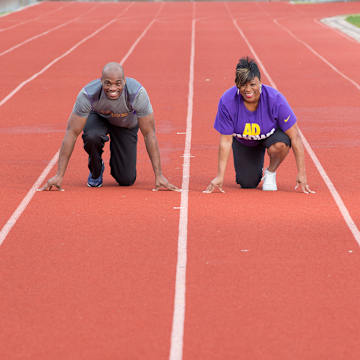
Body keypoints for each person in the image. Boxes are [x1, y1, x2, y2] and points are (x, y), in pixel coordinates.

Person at [41, 62, 179, 191]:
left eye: (117, 83)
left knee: (126, 179)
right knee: (92, 136)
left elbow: (149, 134)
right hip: (98, 119)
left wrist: (159, 175)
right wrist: (59, 175)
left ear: (124, 82)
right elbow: (71, 133)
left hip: (125, 126)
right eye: (107, 83)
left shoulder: (137, 94)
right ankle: (96, 169)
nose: (112, 88)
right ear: (101, 81)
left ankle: (118, 163)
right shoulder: (88, 94)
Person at [204, 56, 314, 194]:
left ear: (260, 82)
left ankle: (270, 172)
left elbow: (295, 136)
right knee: (247, 183)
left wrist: (302, 174)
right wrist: (220, 176)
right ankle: (253, 167)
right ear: (237, 84)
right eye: (243, 84)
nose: (248, 89)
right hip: (245, 142)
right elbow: (225, 141)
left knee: (281, 144)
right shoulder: (227, 101)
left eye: (252, 84)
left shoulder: (275, 99)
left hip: (271, 136)